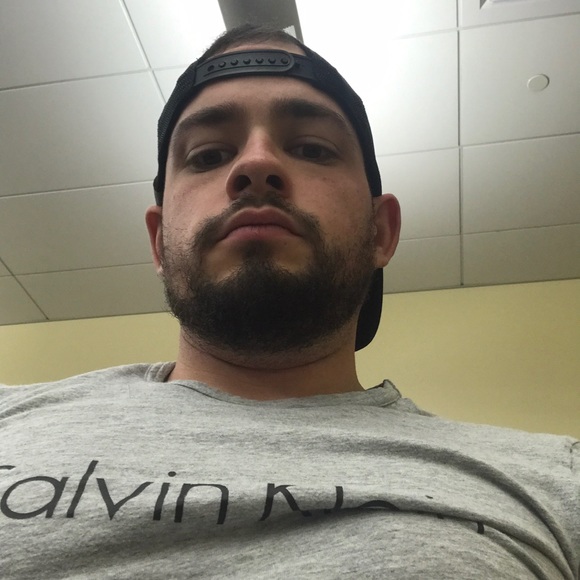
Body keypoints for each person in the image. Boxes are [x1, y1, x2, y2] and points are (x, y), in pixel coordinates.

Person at [0, 24, 578, 579]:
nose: (255, 164)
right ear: (158, 243)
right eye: (207, 155)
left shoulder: (558, 481)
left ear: (380, 231)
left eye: (311, 148)